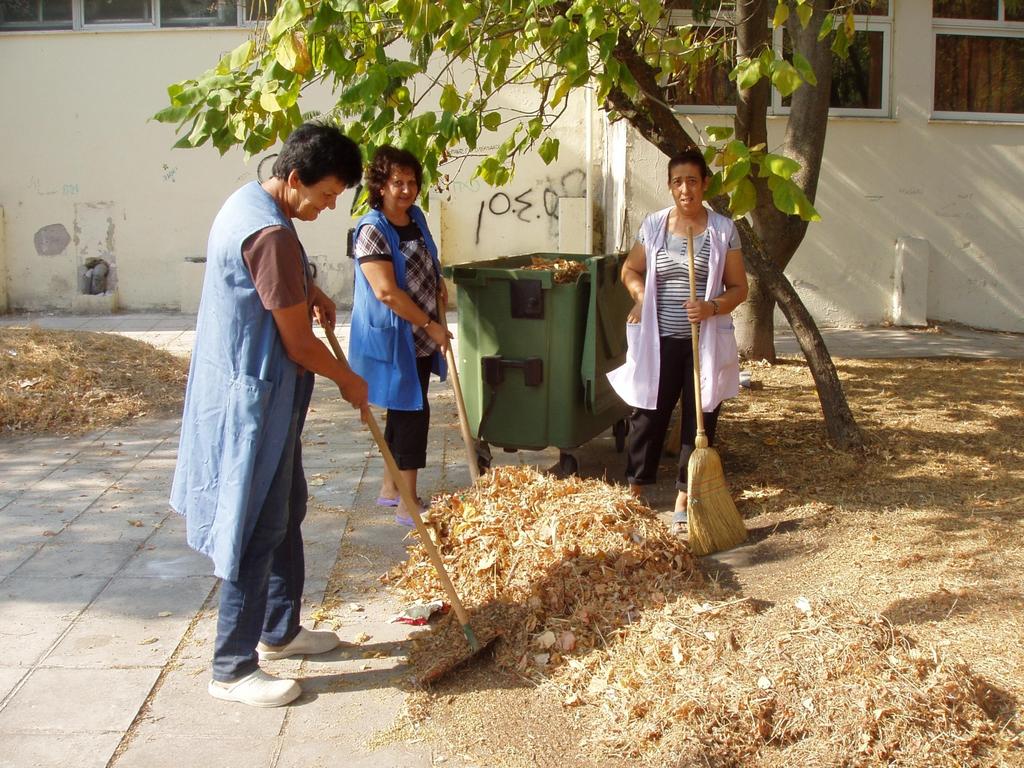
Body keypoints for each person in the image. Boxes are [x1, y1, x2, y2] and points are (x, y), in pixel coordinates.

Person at [170, 123, 368, 708]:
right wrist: (350, 379)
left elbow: (282, 280)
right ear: (294, 178)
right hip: (251, 400)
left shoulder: (251, 199)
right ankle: (232, 667)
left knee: (287, 507)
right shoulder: (269, 233)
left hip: (265, 396)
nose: (328, 206)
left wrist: (311, 289)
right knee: (255, 523)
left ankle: (279, 630)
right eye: (326, 194)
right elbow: (299, 346)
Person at [607, 147, 748, 535]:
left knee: (699, 417)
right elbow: (630, 270)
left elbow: (739, 288)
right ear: (669, 187)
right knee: (647, 414)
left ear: (704, 184)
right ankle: (636, 490)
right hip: (659, 338)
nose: (684, 189)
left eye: (691, 181)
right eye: (677, 182)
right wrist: (640, 298)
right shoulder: (653, 226)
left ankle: (684, 499)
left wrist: (711, 306)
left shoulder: (722, 230)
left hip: (703, 341)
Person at [348, 145, 450, 526]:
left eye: (411, 183)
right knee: (412, 411)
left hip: (419, 333)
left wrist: (438, 282)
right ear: (380, 185)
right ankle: (409, 504)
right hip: (396, 336)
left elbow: (427, 259)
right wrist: (430, 324)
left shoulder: (416, 218)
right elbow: (387, 292)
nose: (405, 190)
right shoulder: (372, 230)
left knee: (404, 405)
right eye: (397, 183)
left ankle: (390, 489)